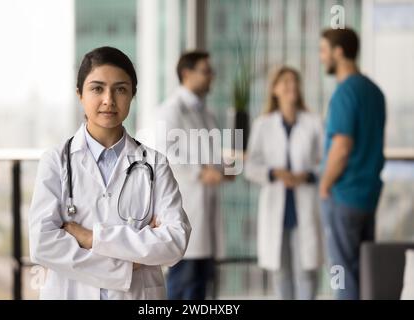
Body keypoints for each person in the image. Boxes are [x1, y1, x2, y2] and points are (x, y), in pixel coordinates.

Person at [28, 46, 191, 300]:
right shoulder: (56, 161)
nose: (109, 100)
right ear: (80, 94)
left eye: (121, 89)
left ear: (132, 95)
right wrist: (126, 265)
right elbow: (43, 245)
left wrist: (92, 237)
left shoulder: (155, 164)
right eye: (97, 88)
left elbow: (174, 242)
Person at [156, 51, 231, 300]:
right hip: (187, 207)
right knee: (183, 284)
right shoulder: (171, 109)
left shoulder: (206, 114)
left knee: (201, 286)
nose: (212, 77)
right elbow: (166, 152)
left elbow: (210, 153)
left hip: (206, 210)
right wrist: (201, 172)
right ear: (187, 74)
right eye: (206, 71)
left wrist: (222, 169)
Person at [245, 66, 324, 300]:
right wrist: (274, 173)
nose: (291, 87)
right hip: (276, 207)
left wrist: (306, 175)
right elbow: (250, 167)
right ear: (275, 89)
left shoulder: (314, 122)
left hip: (305, 207)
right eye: (285, 82)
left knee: (307, 273)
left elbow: (325, 162)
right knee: (281, 274)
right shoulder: (263, 124)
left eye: (294, 82)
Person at [319, 28, 386, 300]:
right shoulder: (374, 91)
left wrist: (325, 185)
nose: (321, 57)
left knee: (342, 275)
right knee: (364, 271)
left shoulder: (345, 92)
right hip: (368, 196)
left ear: (339, 52)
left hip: (343, 195)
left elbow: (342, 147)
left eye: (323, 50)